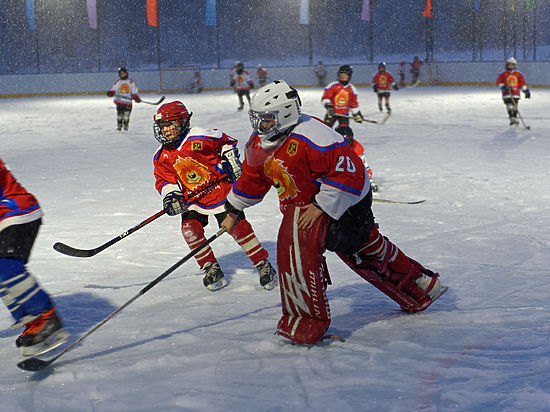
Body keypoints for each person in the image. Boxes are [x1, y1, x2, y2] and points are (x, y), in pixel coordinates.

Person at [221, 80, 446, 345]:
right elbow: (254, 178)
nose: (260, 126)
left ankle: (307, 323)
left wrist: (321, 205)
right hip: (313, 208)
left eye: (267, 119)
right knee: (367, 252)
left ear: (285, 115)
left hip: (348, 208)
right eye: (258, 119)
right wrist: (234, 207)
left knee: (300, 243)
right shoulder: (261, 144)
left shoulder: (314, 136)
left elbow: (351, 173)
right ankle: (420, 288)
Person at [152, 101, 277, 291]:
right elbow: (164, 180)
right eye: (162, 127)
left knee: (238, 228)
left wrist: (229, 157)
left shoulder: (200, 136)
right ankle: (210, 267)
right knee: (189, 229)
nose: (166, 130)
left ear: (183, 121)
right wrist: (172, 195)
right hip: (193, 198)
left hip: (220, 191)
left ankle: (262, 263)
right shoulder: (162, 156)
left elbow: (226, 142)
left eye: (170, 125)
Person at [0, 158, 69, 356]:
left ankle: (47, 317)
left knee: (6, 267)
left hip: (17, 212)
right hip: (5, 220)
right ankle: (32, 321)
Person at [335, 125, 378, 192]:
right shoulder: (330, 145)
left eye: (348, 140)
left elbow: (364, 165)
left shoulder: (357, 148)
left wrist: (370, 180)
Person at [496, 57, 531, 126]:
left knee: (515, 107)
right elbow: (499, 82)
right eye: (509, 65)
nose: (511, 66)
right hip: (507, 94)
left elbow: (522, 83)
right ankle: (511, 118)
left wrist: (526, 91)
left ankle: (515, 118)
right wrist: (503, 87)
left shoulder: (518, 74)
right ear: (506, 65)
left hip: (515, 94)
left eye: (512, 65)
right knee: (509, 106)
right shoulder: (503, 74)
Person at [107, 67, 141, 131]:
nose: (122, 75)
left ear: (126, 73)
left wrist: (135, 96)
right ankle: (119, 126)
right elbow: (114, 89)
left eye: (124, 73)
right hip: (120, 102)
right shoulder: (118, 82)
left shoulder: (131, 82)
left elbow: (134, 91)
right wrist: (111, 92)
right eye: (121, 74)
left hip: (128, 102)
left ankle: (126, 127)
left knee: (126, 116)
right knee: (119, 115)